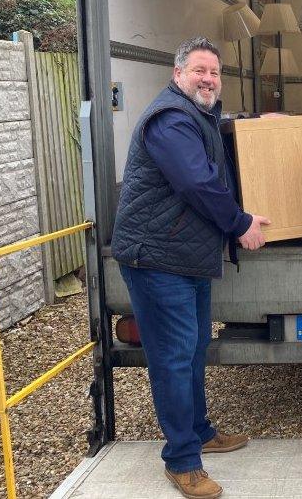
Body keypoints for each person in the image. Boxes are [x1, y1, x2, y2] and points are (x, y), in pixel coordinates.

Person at [111, 37, 270, 499]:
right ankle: (181, 460)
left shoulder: (196, 114)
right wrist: (239, 223)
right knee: (174, 359)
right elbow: (197, 182)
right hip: (158, 258)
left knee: (194, 348)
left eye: (215, 72)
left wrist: (261, 123)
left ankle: (199, 431)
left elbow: (220, 131)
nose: (208, 79)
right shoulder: (171, 119)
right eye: (199, 70)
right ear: (177, 74)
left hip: (183, 256)